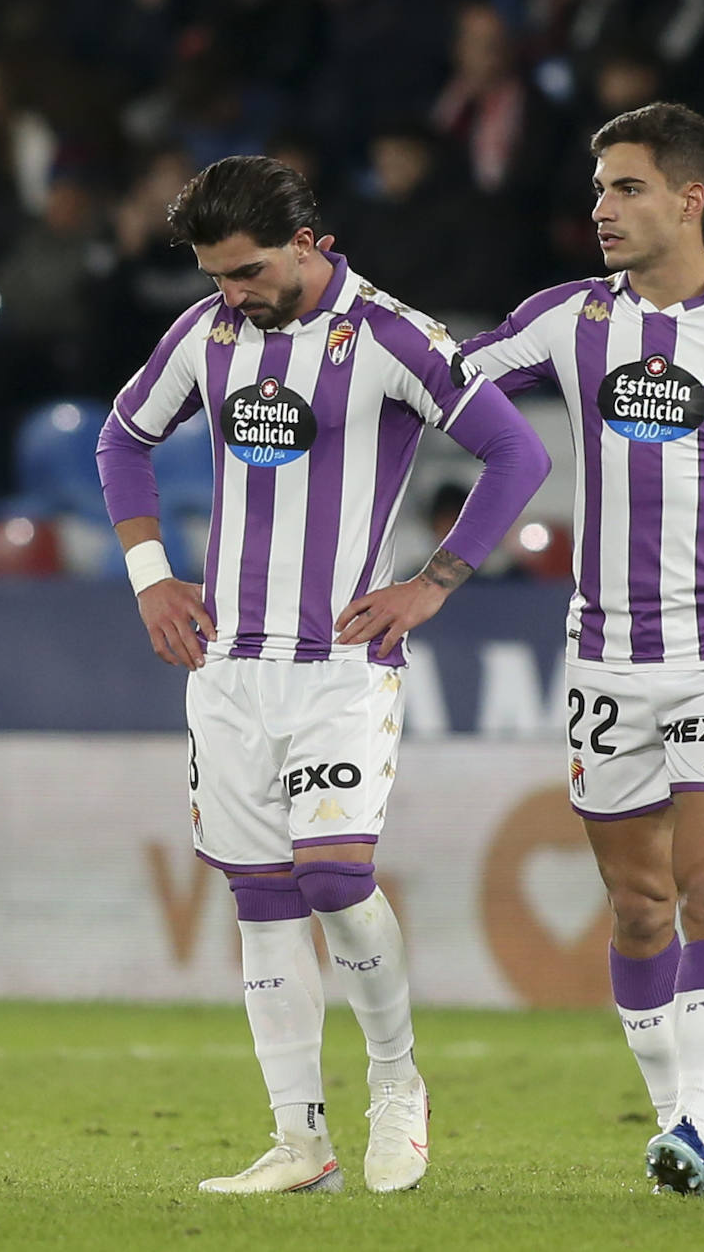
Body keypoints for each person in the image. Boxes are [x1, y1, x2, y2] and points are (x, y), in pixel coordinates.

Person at [95, 155, 550, 1195]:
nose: (232, 295)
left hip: (341, 666)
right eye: (215, 276)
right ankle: (300, 1141)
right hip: (227, 668)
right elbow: (123, 436)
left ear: (308, 243)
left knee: (337, 879)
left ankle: (397, 1086)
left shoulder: (389, 337)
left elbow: (515, 455)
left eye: (248, 272)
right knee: (260, 901)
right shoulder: (208, 332)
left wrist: (432, 584)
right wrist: (151, 577)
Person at [462, 102, 704, 1195]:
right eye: (597, 189)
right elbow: (441, 379)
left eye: (626, 187)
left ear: (689, 198)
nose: (601, 209)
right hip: (605, 663)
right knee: (638, 907)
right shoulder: (565, 321)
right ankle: (669, 1116)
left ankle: (696, 1128)